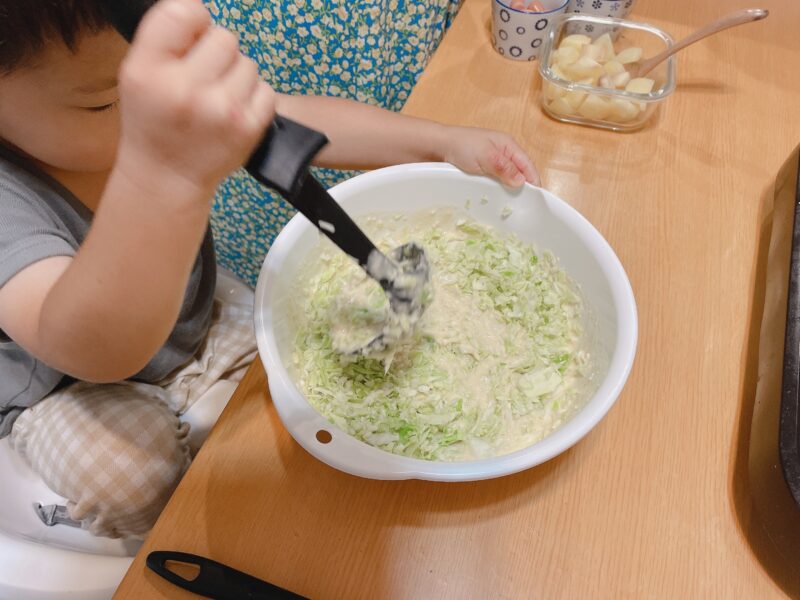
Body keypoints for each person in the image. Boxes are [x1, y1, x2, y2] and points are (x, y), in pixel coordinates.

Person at [0, 0, 539, 538]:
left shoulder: (126, 111)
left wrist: (440, 142)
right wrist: (163, 171)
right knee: (132, 481)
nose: (155, 118)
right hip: (63, 387)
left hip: (189, 326)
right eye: (105, 104)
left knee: (301, 374)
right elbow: (96, 350)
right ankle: (84, 525)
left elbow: (288, 123)